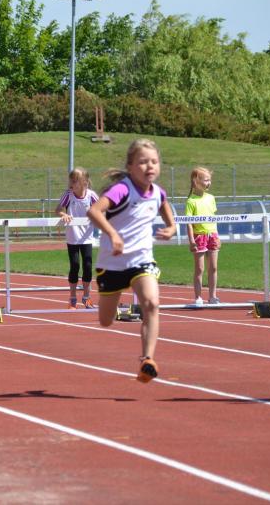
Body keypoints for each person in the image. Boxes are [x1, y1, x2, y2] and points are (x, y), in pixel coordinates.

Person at [86, 139, 176, 383]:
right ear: (130, 166)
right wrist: (113, 234)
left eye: (154, 161)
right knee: (106, 321)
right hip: (113, 263)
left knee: (152, 303)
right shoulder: (122, 190)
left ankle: (147, 360)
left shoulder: (158, 192)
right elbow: (94, 211)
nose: (150, 166)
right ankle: (111, 303)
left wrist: (171, 227)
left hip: (142, 260)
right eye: (143, 162)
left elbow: (164, 205)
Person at [55, 167, 98, 309]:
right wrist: (64, 215)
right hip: (73, 237)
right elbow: (58, 209)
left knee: (88, 265)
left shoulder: (91, 195)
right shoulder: (68, 195)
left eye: (75, 181)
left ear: (84, 182)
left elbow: (101, 209)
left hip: (87, 237)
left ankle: (86, 297)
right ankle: (73, 298)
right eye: (71, 180)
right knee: (75, 266)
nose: (71, 183)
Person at [185, 167, 220, 305]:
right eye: (206, 180)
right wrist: (191, 240)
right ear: (196, 181)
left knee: (213, 267)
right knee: (200, 268)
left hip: (212, 235)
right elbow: (188, 223)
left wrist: (217, 236)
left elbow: (213, 217)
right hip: (199, 236)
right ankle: (198, 297)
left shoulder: (211, 198)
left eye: (209, 180)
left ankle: (213, 296)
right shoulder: (191, 201)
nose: (208, 183)